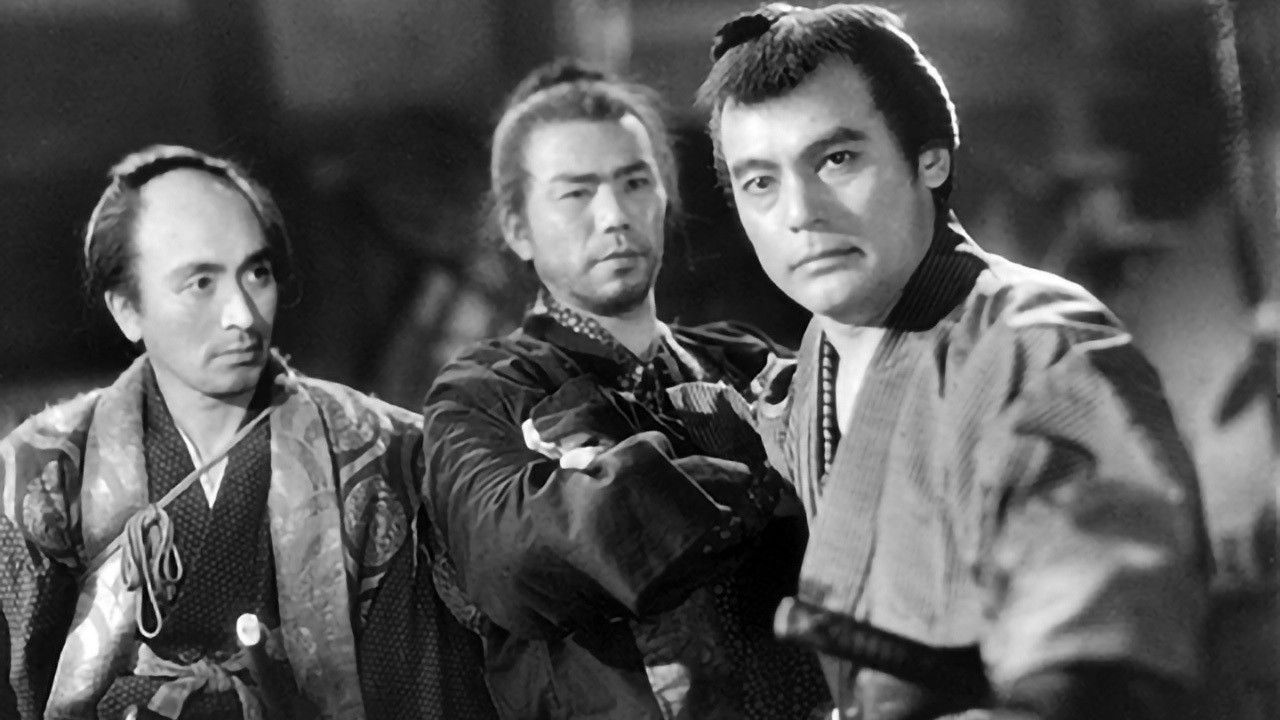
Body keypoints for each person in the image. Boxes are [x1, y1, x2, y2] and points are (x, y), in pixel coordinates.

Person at [696, 5, 1212, 720]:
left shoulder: (1034, 347)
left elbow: (1098, 672)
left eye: (836, 159)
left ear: (930, 158)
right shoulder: (821, 360)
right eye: (760, 182)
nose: (800, 212)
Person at [0, 145, 496, 720]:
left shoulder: (380, 450)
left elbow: (419, 686)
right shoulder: (43, 470)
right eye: (200, 283)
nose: (242, 315)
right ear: (127, 309)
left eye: (257, 273)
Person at [421, 60, 830, 719]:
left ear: (664, 197)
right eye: (575, 193)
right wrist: (763, 480)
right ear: (518, 227)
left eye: (634, 182)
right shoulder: (485, 391)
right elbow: (516, 562)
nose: (613, 215)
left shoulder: (743, 359)